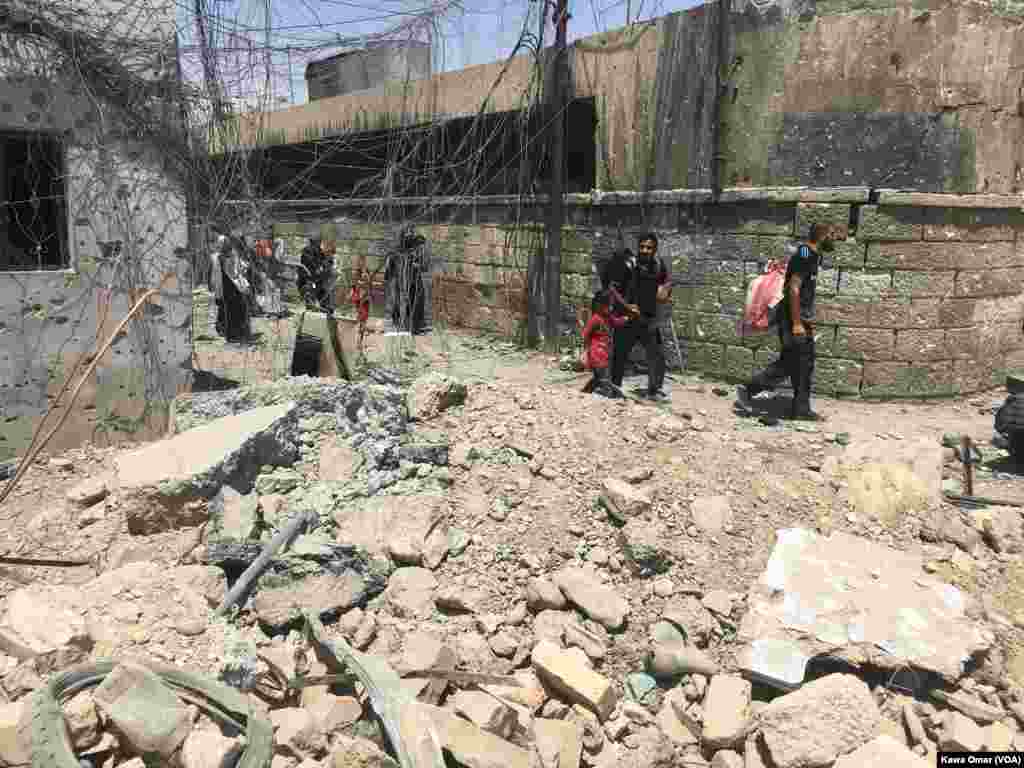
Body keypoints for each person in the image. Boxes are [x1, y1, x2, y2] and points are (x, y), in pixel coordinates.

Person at [736, 223, 835, 421]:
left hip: (798, 318)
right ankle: (748, 390)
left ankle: (801, 409)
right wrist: (797, 323)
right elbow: (794, 288)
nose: (836, 238)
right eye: (832, 234)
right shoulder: (805, 253)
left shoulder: (812, 255)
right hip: (791, 319)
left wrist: (805, 320)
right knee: (791, 362)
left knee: (803, 363)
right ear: (823, 235)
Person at [610, 233, 672, 400]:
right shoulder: (627, 265)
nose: (645, 250)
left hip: (648, 317)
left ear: (655, 249)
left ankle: (654, 390)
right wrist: (627, 306)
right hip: (627, 318)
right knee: (620, 354)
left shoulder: (658, 266)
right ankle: (613, 388)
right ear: (638, 247)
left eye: (649, 247)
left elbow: (666, 282)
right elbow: (613, 290)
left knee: (657, 354)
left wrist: (665, 289)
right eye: (642, 247)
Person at [581, 289, 627, 398]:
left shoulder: (607, 317)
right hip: (597, 354)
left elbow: (615, 322)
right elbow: (585, 334)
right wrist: (586, 351)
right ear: (599, 305)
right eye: (608, 305)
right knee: (605, 377)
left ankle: (585, 392)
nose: (610, 308)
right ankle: (609, 395)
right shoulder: (595, 319)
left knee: (598, 377)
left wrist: (624, 319)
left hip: (605, 353)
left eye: (611, 305)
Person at [350, 266, 372, 360]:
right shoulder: (357, 282)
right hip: (358, 302)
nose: (364, 274)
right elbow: (354, 290)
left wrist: (364, 295)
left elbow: (367, 292)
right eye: (362, 273)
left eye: (365, 273)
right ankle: (358, 341)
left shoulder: (366, 281)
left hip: (364, 303)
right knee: (360, 320)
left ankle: (360, 341)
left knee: (363, 321)